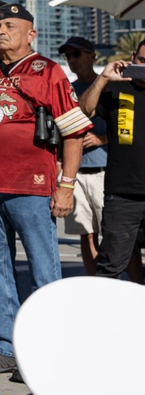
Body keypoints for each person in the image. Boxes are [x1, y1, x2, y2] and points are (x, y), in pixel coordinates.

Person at [0, 2, 92, 380]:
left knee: (43, 271)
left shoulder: (48, 71)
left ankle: (47, 349)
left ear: (30, 33)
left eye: (9, 25)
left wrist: (66, 186)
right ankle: (7, 346)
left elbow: (73, 133)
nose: (0, 31)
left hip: (32, 187)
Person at [77, 39, 145, 284]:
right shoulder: (115, 88)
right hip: (122, 196)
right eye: (142, 61)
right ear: (132, 57)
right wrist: (103, 78)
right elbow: (83, 111)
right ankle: (106, 320)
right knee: (110, 267)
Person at [58, 36, 114, 277]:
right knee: (86, 232)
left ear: (92, 55)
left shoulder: (112, 86)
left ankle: (132, 286)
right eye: (68, 56)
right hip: (77, 173)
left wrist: (103, 139)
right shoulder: (66, 90)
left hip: (106, 171)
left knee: (115, 234)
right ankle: (94, 284)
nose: (72, 60)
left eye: (76, 54)